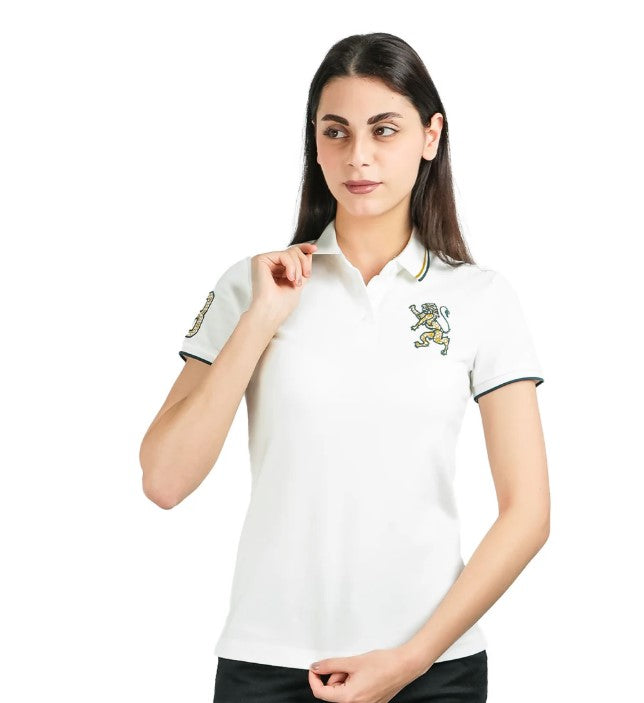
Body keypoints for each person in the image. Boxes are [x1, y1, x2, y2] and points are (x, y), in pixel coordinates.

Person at [140, 32, 549, 703]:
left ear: (430, 135)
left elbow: (528, 513)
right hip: (267, 663)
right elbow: (164, 480)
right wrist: (262, 319)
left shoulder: (482, 298)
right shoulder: (251, 285)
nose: (358, 155)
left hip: (433, 670)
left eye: (383, 129)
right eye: (336, 132)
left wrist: (412, 658)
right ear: (315, 142)